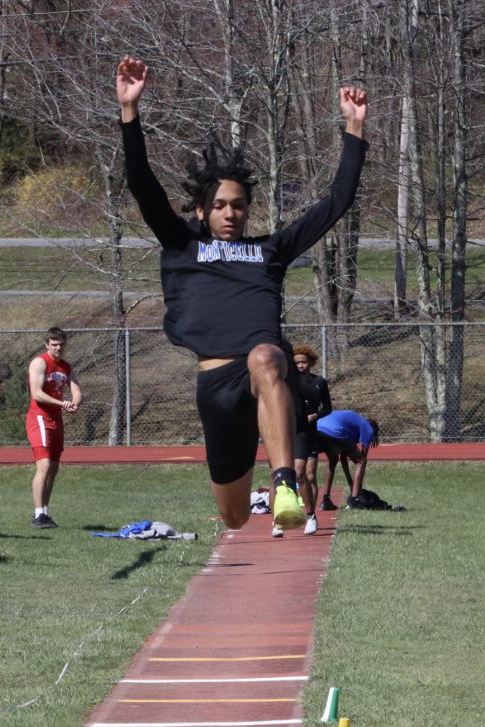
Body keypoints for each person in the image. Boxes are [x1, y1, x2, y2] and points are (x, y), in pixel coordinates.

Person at [116, 55, 369, 533]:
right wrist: (130, 112)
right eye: (219, 206)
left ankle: (284, 485)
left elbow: (337, 202)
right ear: (201, 210)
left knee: (265, 358)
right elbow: (141, 183)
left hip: (262, 369)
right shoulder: (183, 244)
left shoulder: (271, 249)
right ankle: (254, 496)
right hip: (216, 388)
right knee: (232, 518)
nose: (230, 214)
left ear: (249, 209)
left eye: (238, 205)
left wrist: (354, 130)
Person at [272, 343, 332, 539]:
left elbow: (327, 407)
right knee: (277, 476)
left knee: (300, 474)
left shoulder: (319, 382)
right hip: (282, 429)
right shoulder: (285, 380)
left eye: (303, 362)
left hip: (303, 431)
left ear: (311, 362)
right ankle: (277, 520)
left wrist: (314, 416)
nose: (300, 366)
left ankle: (311, 515)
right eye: (296, 362)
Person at [25, 327, 82, 528]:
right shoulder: (40, 363)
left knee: (54, 469)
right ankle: (37, 513)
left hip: (57, 420)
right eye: (54, 344)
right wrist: (62, 404)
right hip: (39, 418)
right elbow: (37, 394)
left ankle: (45, 513)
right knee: (45, 465)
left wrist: (74, 402)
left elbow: (75, 388)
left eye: (61, 345)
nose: (58, 348)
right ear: (47, 344)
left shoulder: (65, 367)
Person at [315, 409, 380, 507]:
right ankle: (354, 500)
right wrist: (357, 489)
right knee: (361, 461)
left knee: (333, 459)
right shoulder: (368, 428)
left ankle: (326, 500)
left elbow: (343, 458)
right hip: (335, 430)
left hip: (318, 428)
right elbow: (361, 460)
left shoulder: (352, 426)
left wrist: (351, 483)